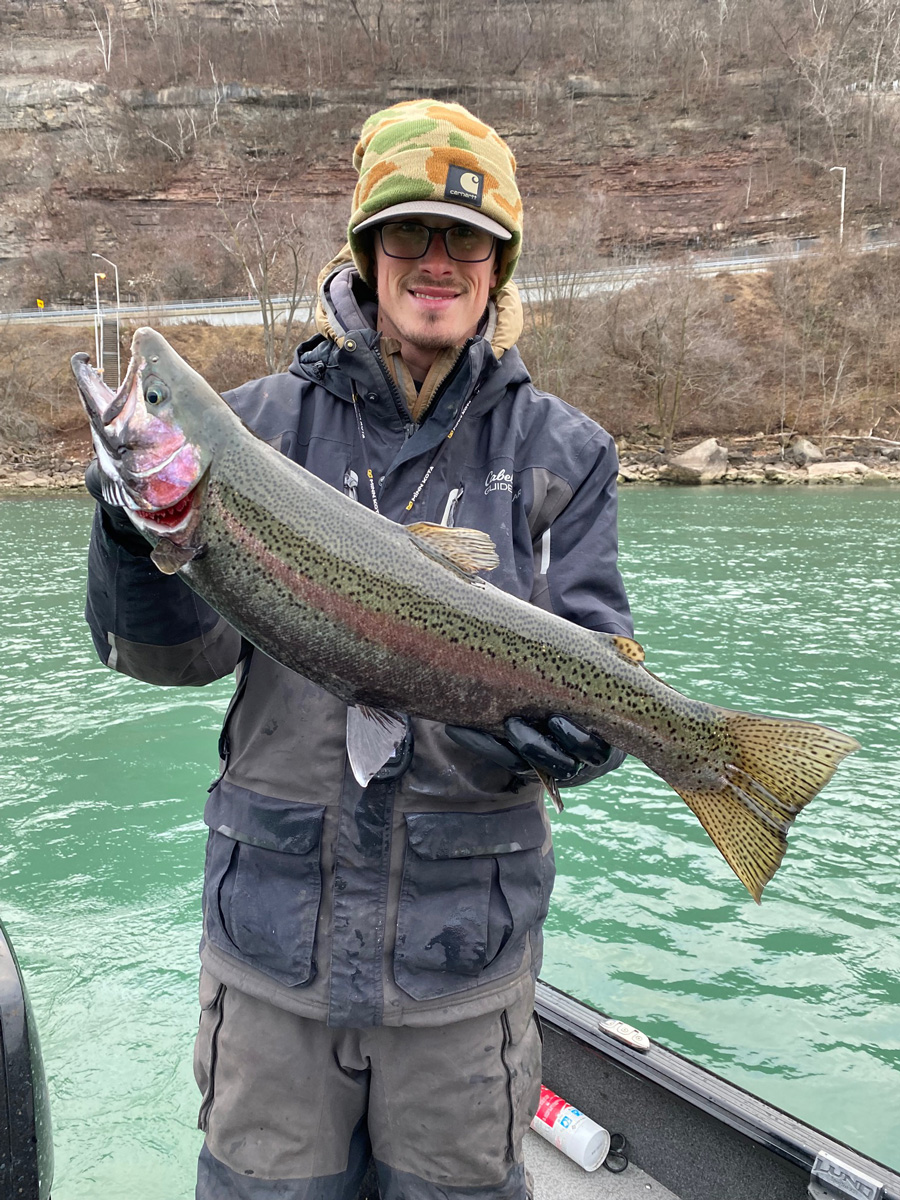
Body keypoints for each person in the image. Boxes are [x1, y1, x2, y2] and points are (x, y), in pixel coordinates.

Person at [84, 99, 633, 1200]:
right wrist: (128, 529)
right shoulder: (250, 431)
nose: (437, 261)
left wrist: (589, 740)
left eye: (464, 239)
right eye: (408, 235)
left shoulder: (565, 453)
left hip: (461, 976)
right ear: (366, 253)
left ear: (499, 264)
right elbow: (169, 658)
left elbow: (597, 650)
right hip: (272, 967)